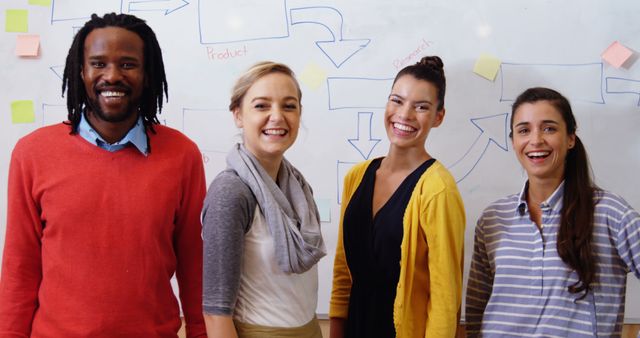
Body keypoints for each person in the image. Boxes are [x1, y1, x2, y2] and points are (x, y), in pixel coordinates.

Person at [0, 13, 206, 337]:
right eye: (98, 63)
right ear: (81, 72)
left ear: (148, 74)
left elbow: (196, 268)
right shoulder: (32, 153)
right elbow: (19, 269)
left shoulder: (183, 156)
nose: (112, 76)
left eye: (127, 64)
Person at [465, 87, 640, 337]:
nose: (536, 140)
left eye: (549, 128)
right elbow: (476, 312)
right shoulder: (493, 218)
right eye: (524, 130)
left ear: (570, 138)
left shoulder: (610, 213)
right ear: (513, 141)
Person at [329, 56, 466, 338]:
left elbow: (444, 297)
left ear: (438, 117)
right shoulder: (356, 176)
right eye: (397, 100)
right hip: (355, 327)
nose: (404, 115)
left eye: (421, 107)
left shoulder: (438, 189)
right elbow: (343, 271)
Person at [201, 61, 325, 338]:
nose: (277, 117)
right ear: (238, 115)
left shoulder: (298, 186)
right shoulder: (231, 192)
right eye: (261, 106)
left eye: (289, 106)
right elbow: (215, 313)